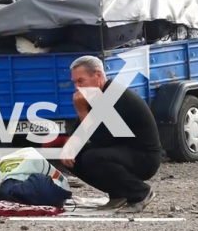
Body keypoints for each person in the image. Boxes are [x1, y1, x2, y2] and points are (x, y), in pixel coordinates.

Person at [60, 55, 162, 212]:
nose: (77, 88)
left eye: (81, 81)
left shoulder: (115, 95)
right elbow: (80, 131)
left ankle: (140, 193)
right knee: (74, 155)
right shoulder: (96, 96)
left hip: (143, 157)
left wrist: (81, 110)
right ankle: (119, 194)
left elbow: (103, 140)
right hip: (121, 152)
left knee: (93, 157)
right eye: (75, 83)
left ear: (98, 75)